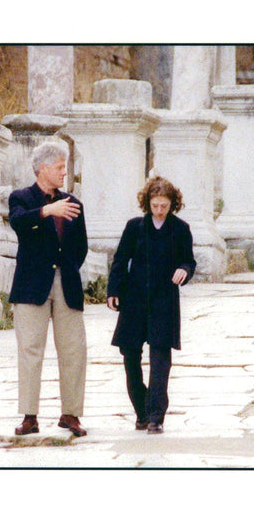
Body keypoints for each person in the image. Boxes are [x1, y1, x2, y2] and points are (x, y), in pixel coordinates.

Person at [8, 140, 89, 437]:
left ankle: (71, 414)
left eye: (64, 167)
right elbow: (17, 223)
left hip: (66, 283)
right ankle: (30, 416)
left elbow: (81, 247)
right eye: (59, 167)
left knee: (74, 351)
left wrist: (65, 268)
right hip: (31, 285)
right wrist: (47, 211)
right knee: (30, 350)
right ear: (43, 168)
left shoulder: (74, 203)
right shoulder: (21, 197)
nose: (64, 173)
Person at [106, 175, 196, 434]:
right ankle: (141, 411)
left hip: (163, 300)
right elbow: (121, 260)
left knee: (160, 359)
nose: (159, 210)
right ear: (148, 203)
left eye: (164, 206)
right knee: (130, 356)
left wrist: (184, 270)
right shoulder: (134, 227)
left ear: (172, 204)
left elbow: (189, 261)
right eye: (155, 205)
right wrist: (113, 291)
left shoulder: (180, 229)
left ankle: (156, 415)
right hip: (134, 299)